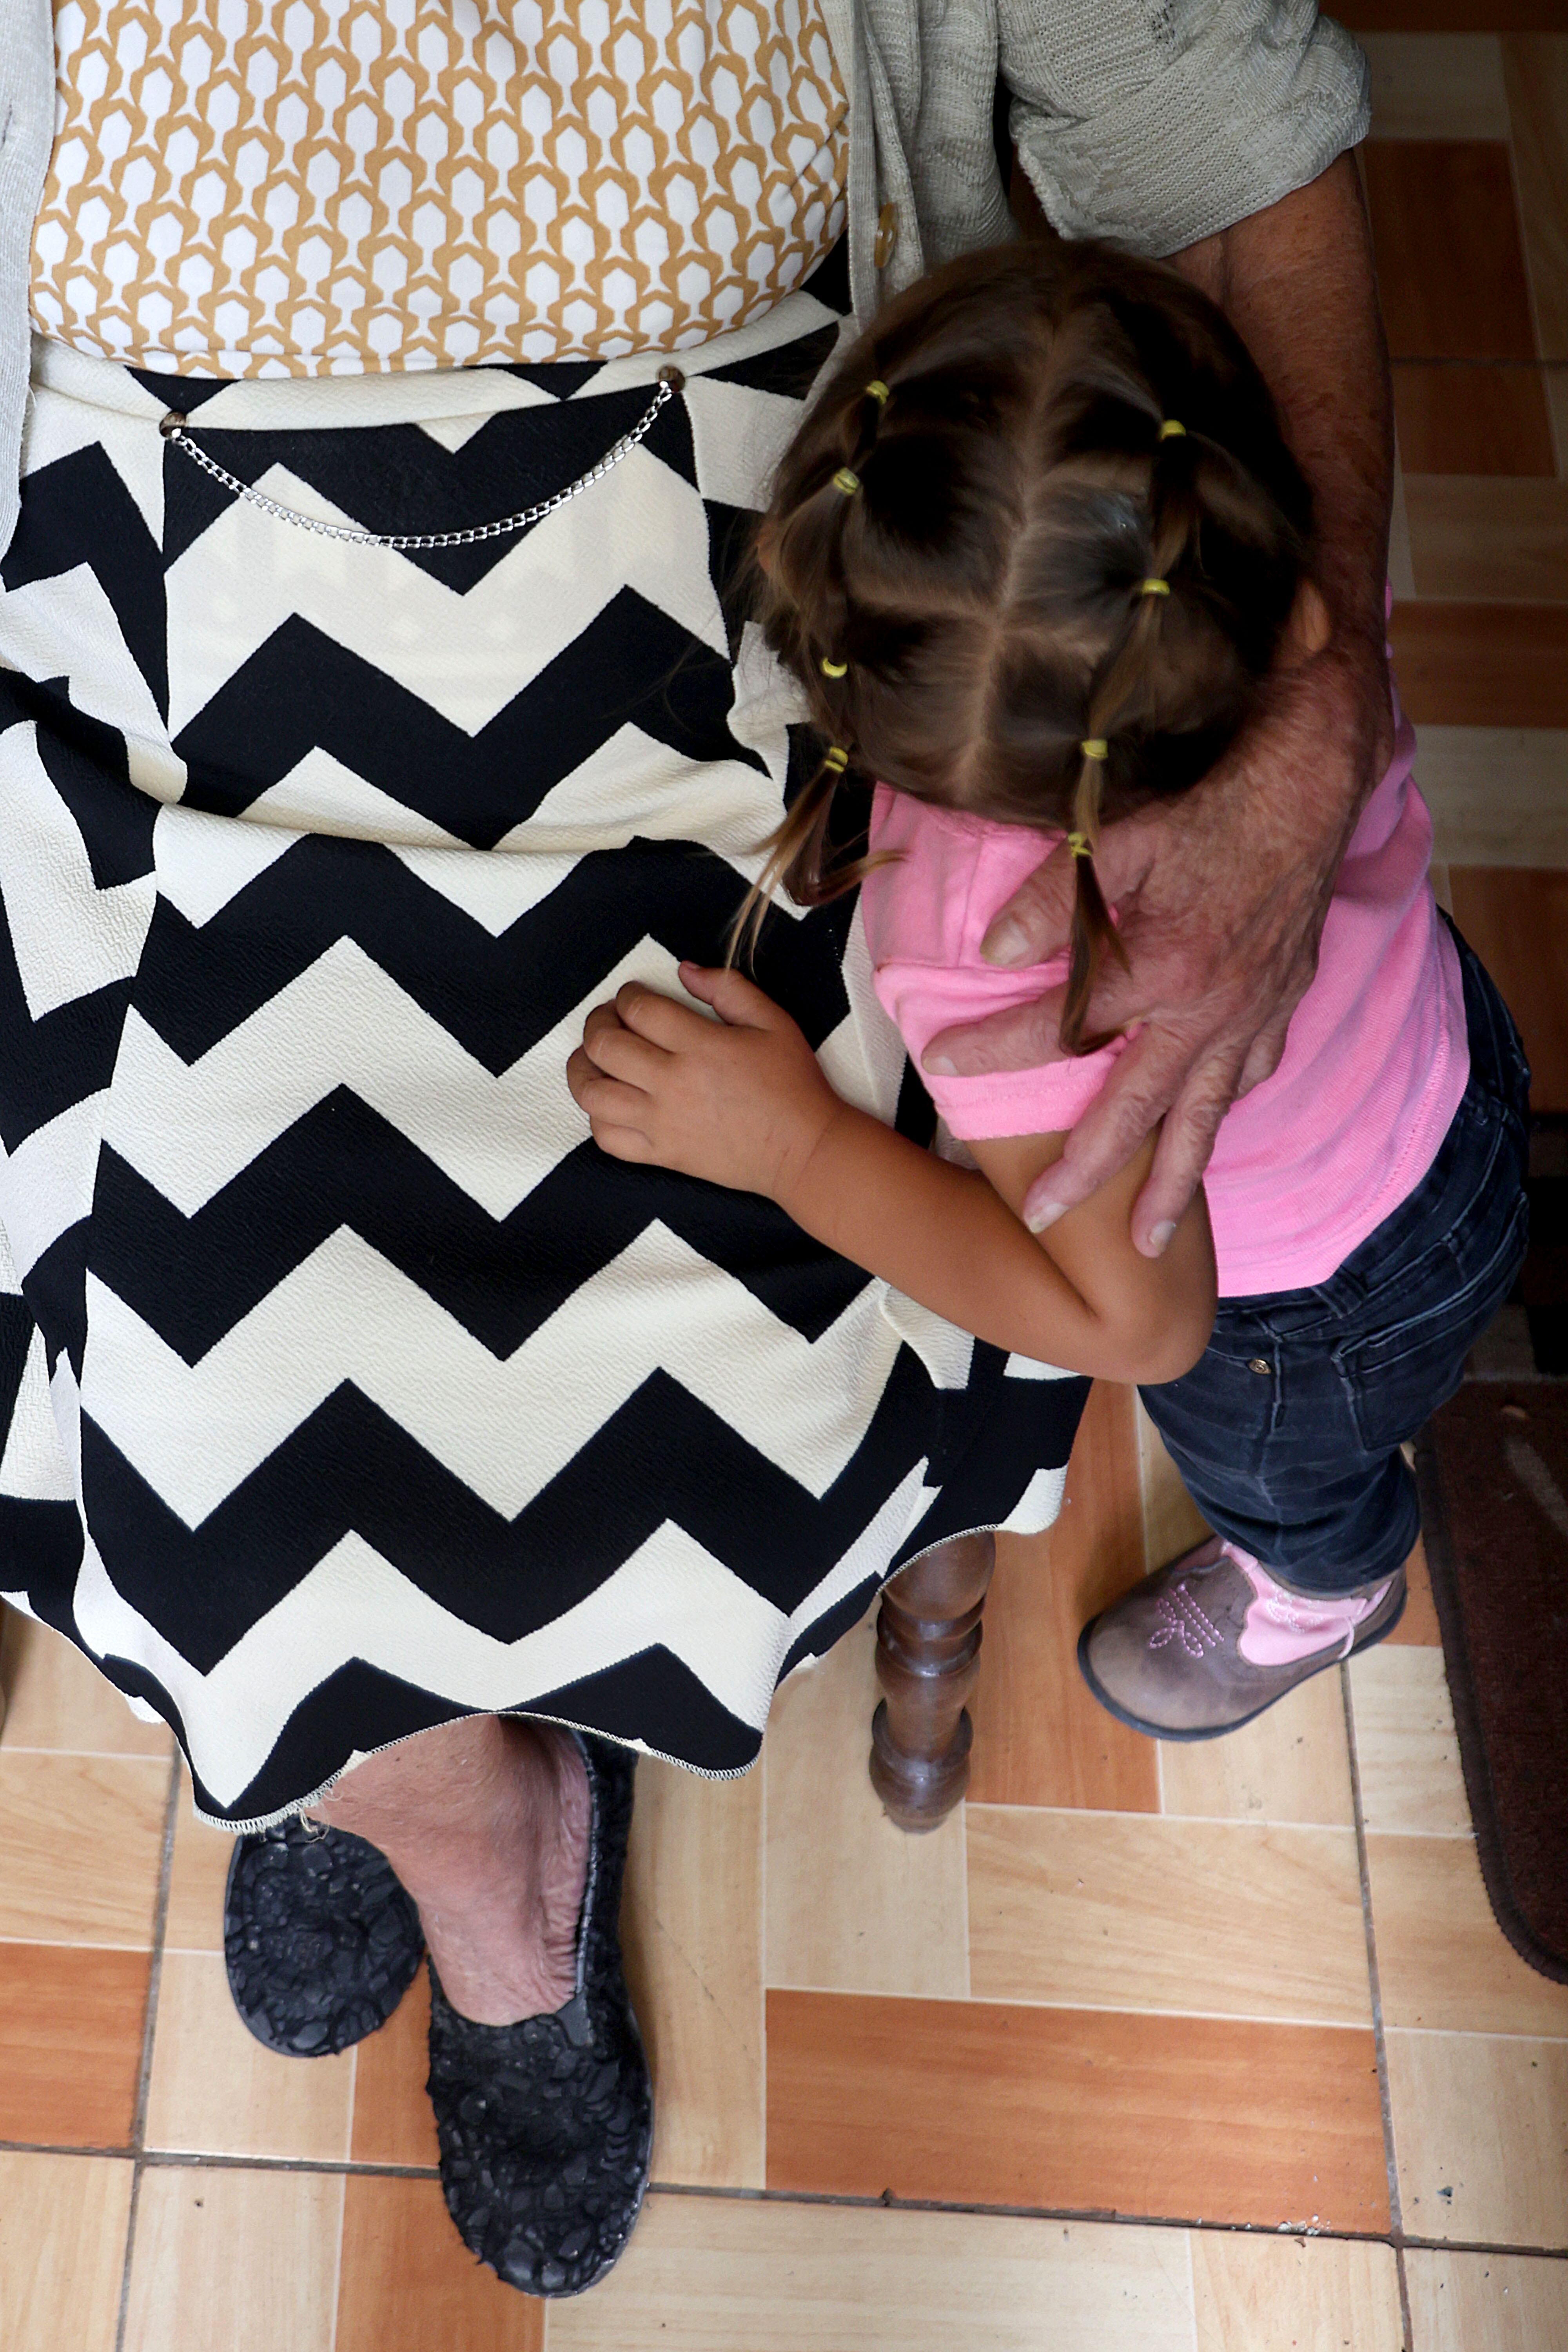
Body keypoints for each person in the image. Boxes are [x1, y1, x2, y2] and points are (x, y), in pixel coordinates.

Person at [0, 0, 1377, 2299]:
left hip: (761, 645)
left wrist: (1314, 703)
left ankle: (398, 1791)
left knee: (730, 1402)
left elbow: (1235, 126)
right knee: (200, 1444)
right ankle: (452, 1827)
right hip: (165, 674)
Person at [571, 238, 1531, 1741]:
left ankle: (1326, 1588)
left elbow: (1136, 1328)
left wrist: (794, 1149)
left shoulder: (988, 935)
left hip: (1300, 1315)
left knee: (1299, 1483)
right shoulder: (1263, 586)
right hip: (1450, 1080)